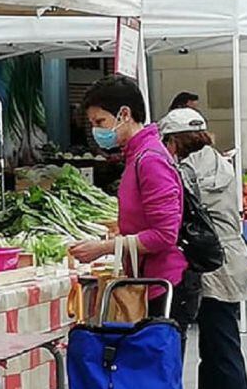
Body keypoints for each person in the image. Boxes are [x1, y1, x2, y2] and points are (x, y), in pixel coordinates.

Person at [159, 107, 247, 389]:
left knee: (222, 345)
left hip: (212, 261)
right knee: (214, 345)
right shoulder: (218, 162)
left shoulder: (184, 171)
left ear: (174, 140)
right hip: (230, 257)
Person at [69, 75, 197, 333]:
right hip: (150, 280)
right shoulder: (137, 155)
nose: (96, 131)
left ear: (124, 114)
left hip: (164, 284)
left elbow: (164, 235)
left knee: (156, 370)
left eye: (100, 122)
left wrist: (105, 247)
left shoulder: (150, 159)